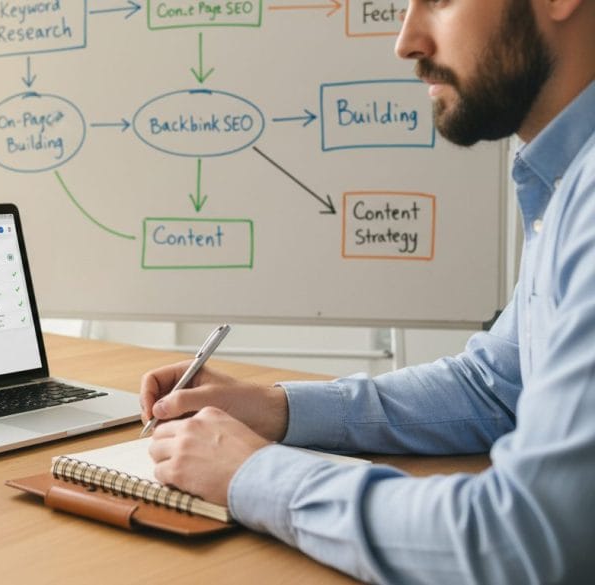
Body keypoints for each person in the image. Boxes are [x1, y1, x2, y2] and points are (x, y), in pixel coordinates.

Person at [140, 0, 595, 582]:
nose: (406, 41)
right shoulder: (562, 178)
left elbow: (517, 541)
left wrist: (252, 473)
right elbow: (498, 388)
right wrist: (278, 411)